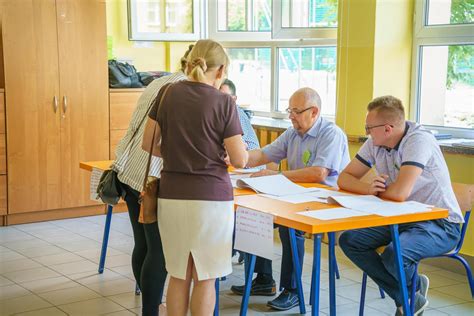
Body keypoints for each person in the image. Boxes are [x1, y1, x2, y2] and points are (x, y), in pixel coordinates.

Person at [142, 39, 248, 316]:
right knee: (205, 277)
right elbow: (240, 159)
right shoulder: (224, 102)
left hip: (172, 196)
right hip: (211, 200)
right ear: (221, 69)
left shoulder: (167, 92)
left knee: (178, 274)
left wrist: (178, 152)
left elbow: (148, 143)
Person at [337, 95, 463, 315]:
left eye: (369, 128)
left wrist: (378, 190)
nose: (366, 132)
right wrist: (368, 189)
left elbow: (399, 194)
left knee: (395, 254)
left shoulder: (418, 140)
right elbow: (344, 178)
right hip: (402, 218)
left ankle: (408, 296)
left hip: (441, 223)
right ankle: (409, 296)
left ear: (387, 128)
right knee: (350, 240)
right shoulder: (375, 142)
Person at [231, 87, 350, 311]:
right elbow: (264, 154)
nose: (291, 116)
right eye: (289, 110)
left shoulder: (330, 134)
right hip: (295, 197)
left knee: (289, 228)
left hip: (326, 201)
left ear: (314, 112)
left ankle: (292, 290)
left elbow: (318, 173)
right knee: (255, 213)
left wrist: (276, 175)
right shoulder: (293, 132)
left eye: (296, 111)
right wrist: (240, 158)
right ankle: (264, 279)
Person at [112, 45, 193, 316]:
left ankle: (150, 304)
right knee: (158, 251)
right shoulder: (185, 91)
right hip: (153, 176)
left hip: (131, 169)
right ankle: (151, 309)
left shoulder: (159, 81)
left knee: (144, 245)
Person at [220, 78, 261, 264]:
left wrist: (235, 154)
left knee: (254, 215)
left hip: (241, 177)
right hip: (224, 179)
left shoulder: (236, 114)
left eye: (224, 97)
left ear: (234, 99)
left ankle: (262, 277)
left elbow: (252, 149)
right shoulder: (212, 113)